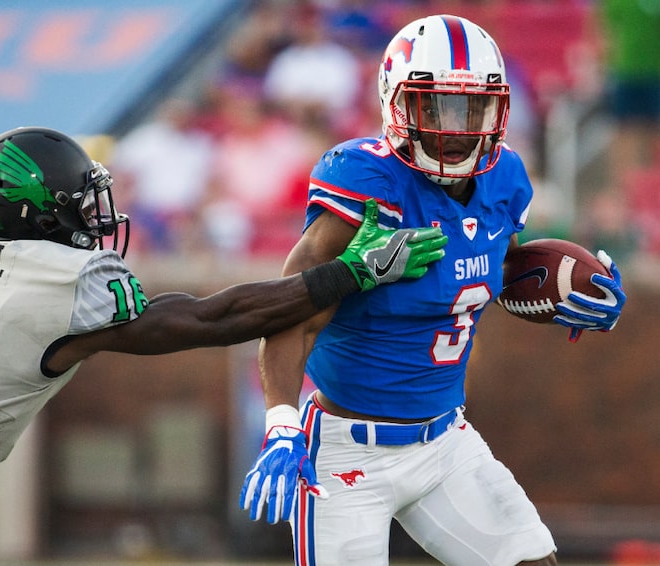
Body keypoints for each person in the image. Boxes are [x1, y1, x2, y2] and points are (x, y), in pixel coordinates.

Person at [0, 126, 449, 565]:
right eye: (79, 205)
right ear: (37, 215)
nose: (95, 219)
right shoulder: (62, 286)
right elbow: (212, 320)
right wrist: (352, 272)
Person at [239, 14, 627, 566]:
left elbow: (489, 269)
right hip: (349, 449)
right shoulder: (365, 182)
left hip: (446, 442)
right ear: (397, 103)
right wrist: (280, 422)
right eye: (438, 105)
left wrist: (567, 293)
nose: (457, 126)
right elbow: (294, 309)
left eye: (473, 107)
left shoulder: (505, 179)